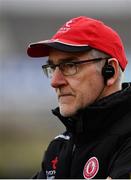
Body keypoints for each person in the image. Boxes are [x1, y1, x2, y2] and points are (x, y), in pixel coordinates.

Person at [27, 16, 131, 179]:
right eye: (52, 67)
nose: (55, 82)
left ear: (110, 71)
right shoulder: (59, 147)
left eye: (70, 65)